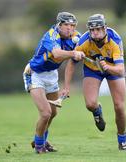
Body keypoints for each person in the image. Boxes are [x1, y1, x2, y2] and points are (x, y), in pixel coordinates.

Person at [62, 14, 126, 150]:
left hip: (113, 70)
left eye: (98, 29)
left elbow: (121, 70)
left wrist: (108, 67)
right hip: (92, 70)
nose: (94, 33)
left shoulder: (115, 39)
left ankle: (122, 139)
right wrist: (66, 86)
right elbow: (71, 63)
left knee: (119, 106)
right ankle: (97, 112)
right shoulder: (84, 41)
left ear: (104, 28)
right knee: (90, 104)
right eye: (92, 30)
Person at [23, 12, 85, 154]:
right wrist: (74, 53)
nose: (70, 28)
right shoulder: (51, 36)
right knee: (45, 113)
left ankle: (41, 139)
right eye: (67, 25)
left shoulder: (76, 37)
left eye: (72, 25)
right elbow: (57, 54)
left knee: (53, 113)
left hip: (52, 75)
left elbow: (84, 46)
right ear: (59, 25)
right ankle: (39, 147)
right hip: (35, 74)